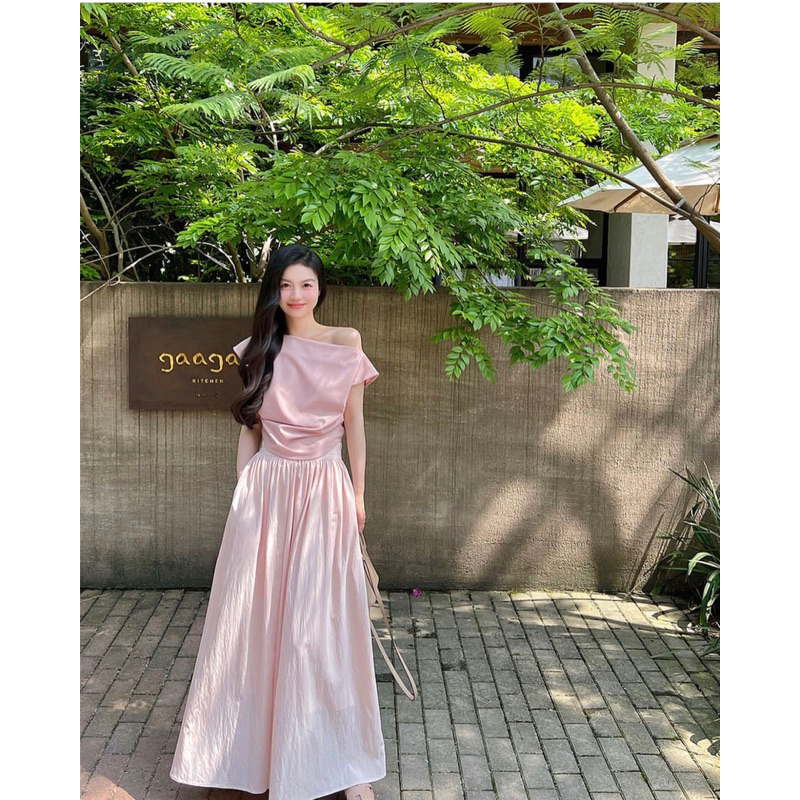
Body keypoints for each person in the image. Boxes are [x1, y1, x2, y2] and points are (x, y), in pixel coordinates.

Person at [169, 244, 385, 800]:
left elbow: (355, 427)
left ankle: (344, 763)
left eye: (306, 284)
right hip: (266, 490)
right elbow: (250, 430)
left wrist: (359, 496)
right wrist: (244, 490)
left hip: (323, 488)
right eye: (286, 284)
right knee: (253, 619)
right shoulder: (258, 349)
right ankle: (247, 756)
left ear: (320, 288)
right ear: (274, 289)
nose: (296, 294)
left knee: (322, 623)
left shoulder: (346, 342)